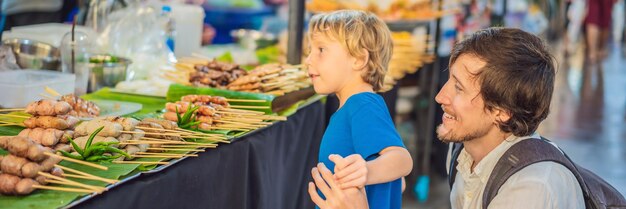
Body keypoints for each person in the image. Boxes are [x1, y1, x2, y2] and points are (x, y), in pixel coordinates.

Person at [309, 27, 585, 209]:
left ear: (502, 111)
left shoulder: (530, 191)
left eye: (459, 87)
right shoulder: (463, 153)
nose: (440, 96)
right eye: (448, 80)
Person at [304, 10, 413, 209]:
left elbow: (402, 160)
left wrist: (367, 171)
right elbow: (398, 180)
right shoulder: (354, 108)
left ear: (358, 59)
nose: (308, 59)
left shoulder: (362, 104)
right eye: (309, 51)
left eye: (321, 50)